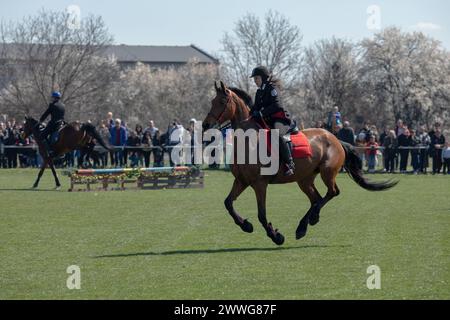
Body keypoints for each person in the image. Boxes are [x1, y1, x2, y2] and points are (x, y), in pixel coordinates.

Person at [249, 66, 296, 176]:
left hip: (280, 119)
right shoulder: (259, 92)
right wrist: (249, 115)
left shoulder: (272, 88)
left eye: (256, 78)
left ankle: (289, 163)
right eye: (254, 79)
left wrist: (260, 113)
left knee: (277, 134)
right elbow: (255, 107)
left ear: (263, 78)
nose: (255, 81)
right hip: (267, 120)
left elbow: (277, 105)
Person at [39, 91, 65, 157]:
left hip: (54, 124)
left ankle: (50, 149)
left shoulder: (52, 105)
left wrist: (41, 120)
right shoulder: (63, 105)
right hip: (62, 123)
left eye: (52, 97)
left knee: (42, 135)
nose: (52, 98)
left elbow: (46, 113)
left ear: (54, 97)